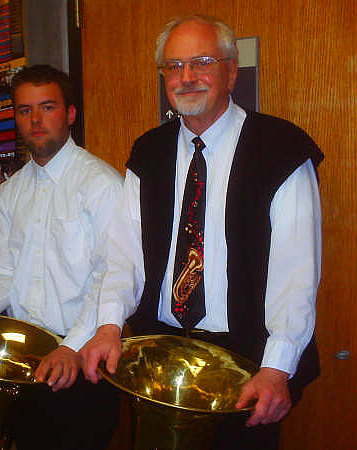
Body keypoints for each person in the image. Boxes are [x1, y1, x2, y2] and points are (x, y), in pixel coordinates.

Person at [80, 15, 323, 450]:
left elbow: (296, 274)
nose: (186, 77)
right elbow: (125, 257)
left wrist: (277, 367)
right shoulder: (147, 152)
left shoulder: (281, 148)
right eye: (174, 66)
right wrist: (108, 326)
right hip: (160, 363)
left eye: (202, 62)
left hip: (247, 365)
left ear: (232, 71)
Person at [0, 64, 122, 450]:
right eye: (24, 110)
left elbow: (111, 276)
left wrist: (71, 348)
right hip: (24, 359)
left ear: (69, 114)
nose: (35, 120)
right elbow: (1, 269)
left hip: (82, 358)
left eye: (47, 108)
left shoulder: (101, 185)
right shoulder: (10, 193)